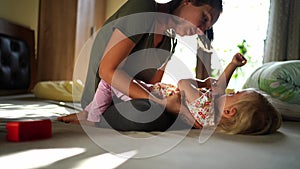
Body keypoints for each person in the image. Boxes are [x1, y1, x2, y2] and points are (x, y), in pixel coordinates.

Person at [58, 0, 223, 131]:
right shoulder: (143, 6)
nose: (201, 31)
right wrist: (163, 104)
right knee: (150, 114)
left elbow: (152, 86)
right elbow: (107, 71)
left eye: (206, 28)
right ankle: (90, 116)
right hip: (101, 100)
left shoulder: (170, 41)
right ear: (188, 1)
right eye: (204, 18)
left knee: (163, 111)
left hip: (131, 99)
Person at [154, 53, 282, 134]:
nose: (229, 93)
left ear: (229, 112)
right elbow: (219, 88)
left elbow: (183, 83)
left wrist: (203, 83)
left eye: (234, 95)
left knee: (135, 84)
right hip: (162, 94)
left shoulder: (205, 107)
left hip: (156, 93)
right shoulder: (212, 117)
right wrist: (233, 65)